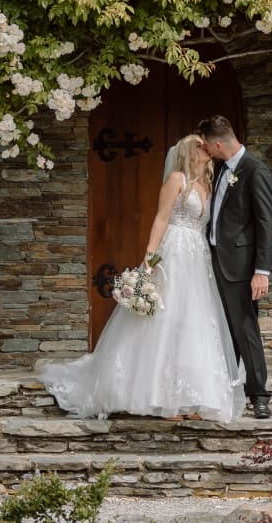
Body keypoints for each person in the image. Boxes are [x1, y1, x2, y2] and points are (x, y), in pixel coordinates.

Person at [37, 134, 245, 423]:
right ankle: (163, 398)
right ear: (187, 151)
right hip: (174, 251)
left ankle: (192, 398)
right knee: (167, 317)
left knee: (195, 321)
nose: (205, 148)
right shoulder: (176, 180)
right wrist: (150, 257)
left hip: (198, 258)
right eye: (199, 145)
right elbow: (161, 218)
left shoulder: (207, 184)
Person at [197, 115, 272, 420]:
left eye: (207, 145)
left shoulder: (255, 171)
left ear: (218, 144)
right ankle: (226, 389)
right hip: (213, 261)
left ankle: (259, 395)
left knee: (245, 329)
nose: (206, 151)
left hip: (240, 267)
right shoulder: (218, 170)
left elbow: (266, 224)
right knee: (222, 328)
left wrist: (261, 271)